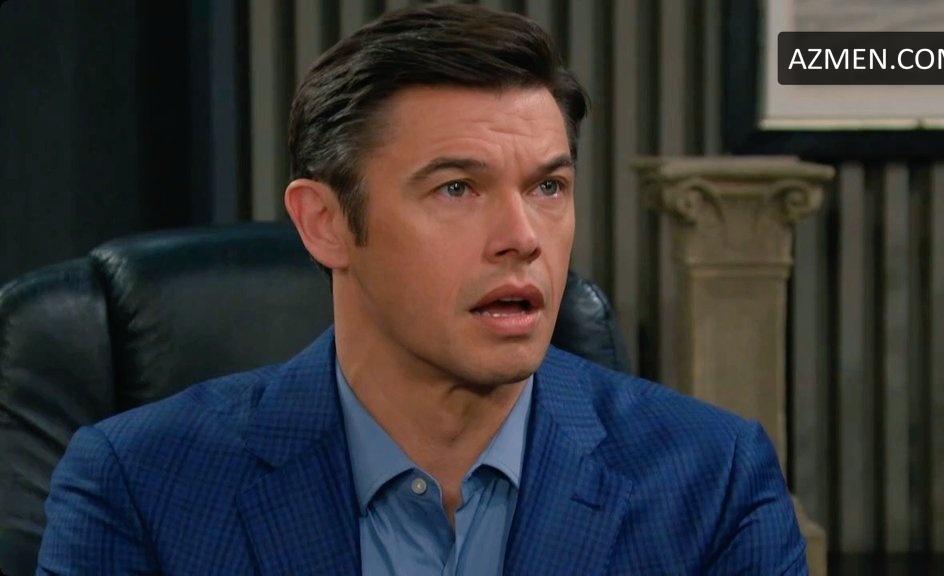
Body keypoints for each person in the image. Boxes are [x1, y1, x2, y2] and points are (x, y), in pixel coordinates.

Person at [36, 4, 807, 575]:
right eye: (456, 189)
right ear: (325, 224)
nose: (523, 236)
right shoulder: (141, 484)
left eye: (547, 187)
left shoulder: (711, 481)